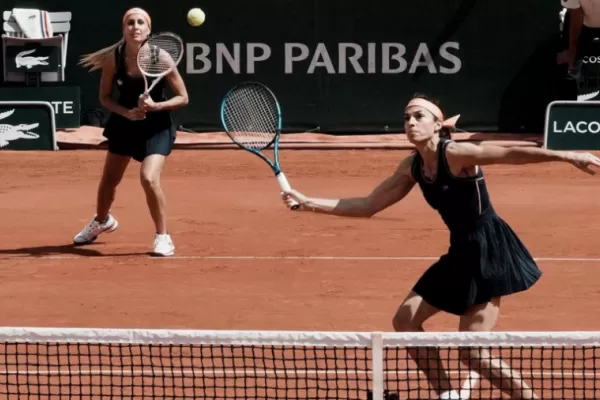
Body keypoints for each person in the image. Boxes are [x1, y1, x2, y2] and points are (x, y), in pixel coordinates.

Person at [281, 94, 600, 399]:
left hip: (488, 251)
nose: (410, 122)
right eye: (406, 117)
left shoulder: (456, 154)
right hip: (460, 252)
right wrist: (307, 201)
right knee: (405, 320)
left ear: (437, 124)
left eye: (419, 116)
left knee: (473, 354)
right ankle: (448, 395)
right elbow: (367, 204)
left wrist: (567, 154)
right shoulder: (412, 166)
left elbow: (509, 153)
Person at [74, 7, 189, 256]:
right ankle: (102, 220)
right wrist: (125, 113)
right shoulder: (113, 59)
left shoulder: (162, 58)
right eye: (130, 23)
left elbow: (183, 97)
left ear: (148, 30)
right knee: (109, 182)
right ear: (124, 29)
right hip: (125, 125)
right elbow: (104, 97)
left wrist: (156, 106)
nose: (135, 27)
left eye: (140, 23)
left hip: (156, 126)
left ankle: (163, 237)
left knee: (148, 178)